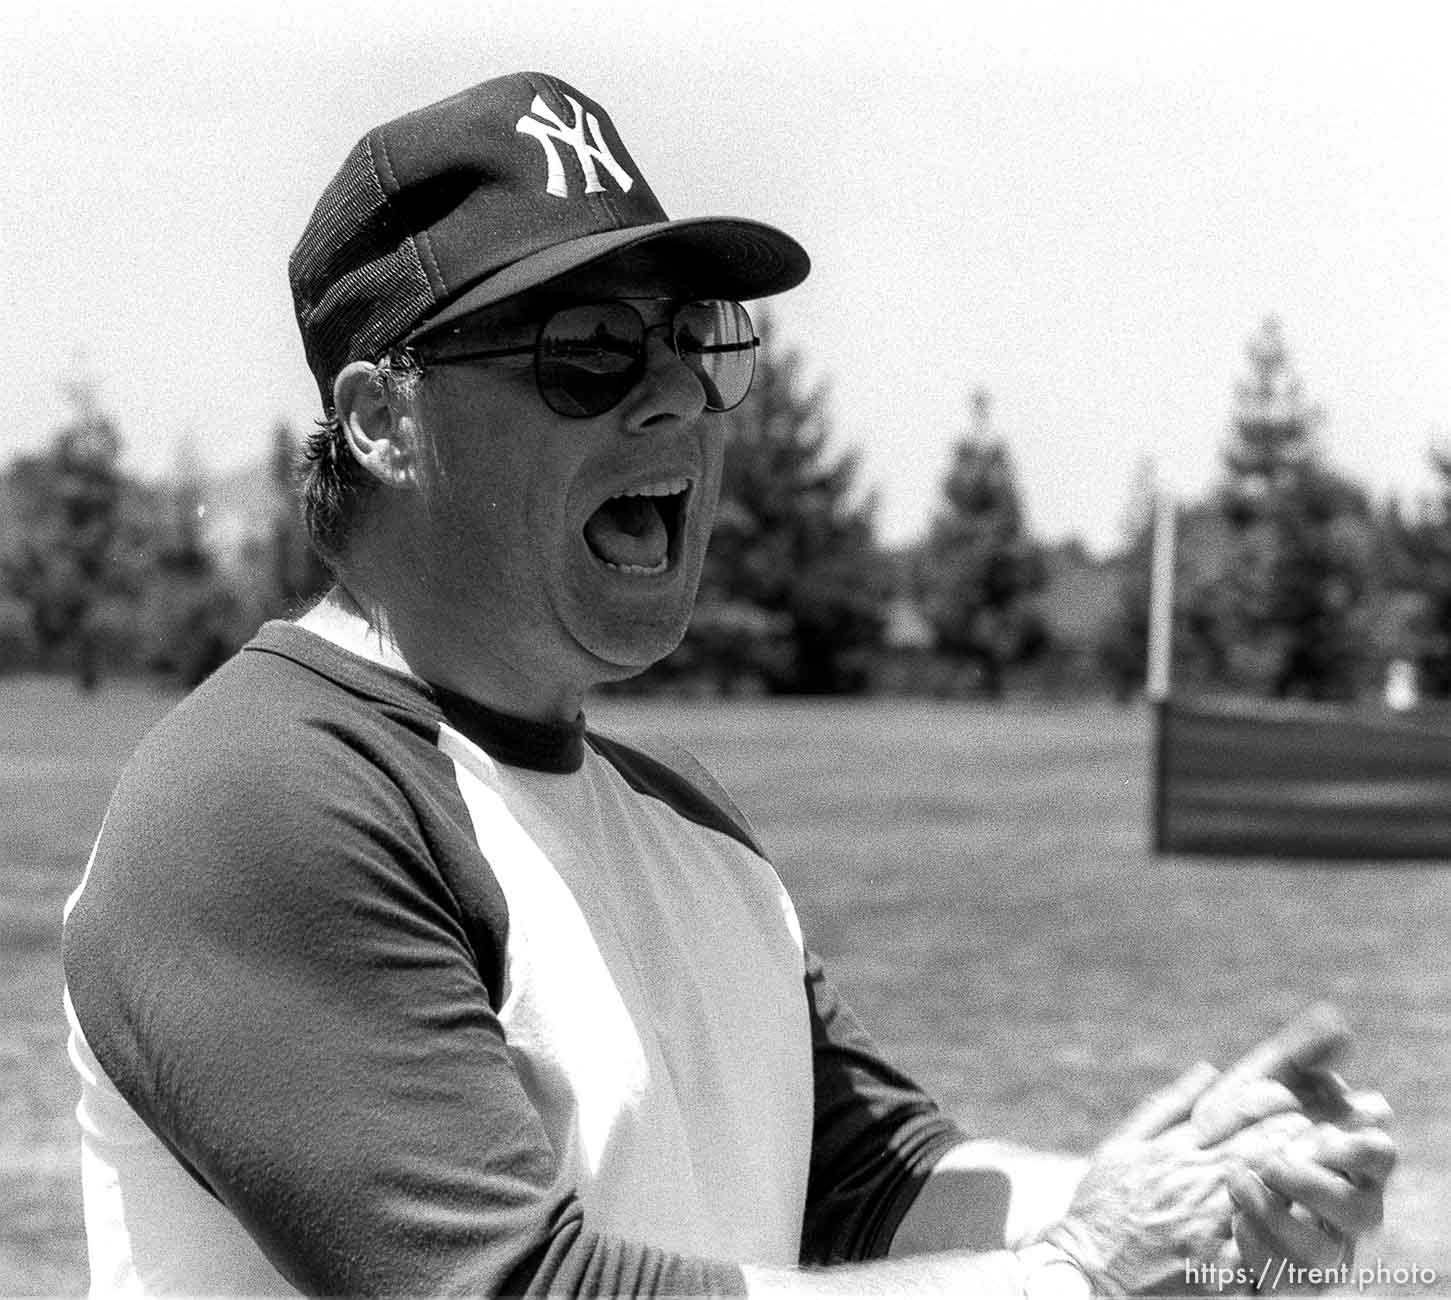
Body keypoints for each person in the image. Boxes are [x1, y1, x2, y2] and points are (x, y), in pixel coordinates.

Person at [62, 71, 1395, 1298]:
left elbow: (874, 1185)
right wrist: (1077, 1274)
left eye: (695, 345)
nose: (677, 405)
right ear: (382, 417)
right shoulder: (261, 799)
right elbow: (523, 1291)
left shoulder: (682, 815)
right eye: (587, 350)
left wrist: (1201, 1196)